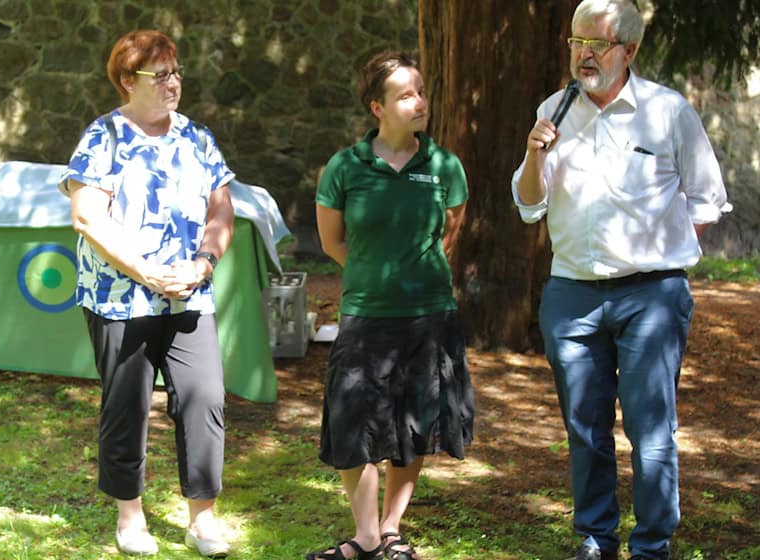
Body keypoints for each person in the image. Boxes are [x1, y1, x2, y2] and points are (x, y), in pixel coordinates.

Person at [510, 1, 731, 559]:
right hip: (572, 295)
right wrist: (536, 156)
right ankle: (594, 539)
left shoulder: (668, 111)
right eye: (576, 42)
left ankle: (652, 546)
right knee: (585, 431)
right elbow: (528, 206)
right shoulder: (553, 110)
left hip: (650, 295)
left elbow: (706, 199)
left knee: (651, 431)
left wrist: (662, 255)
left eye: (597, 43)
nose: (583, 54)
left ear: (628, 51)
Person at [59, 30, 235, 558]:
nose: (172, 82)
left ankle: (202, 520)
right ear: (125, 81)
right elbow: (87, 218)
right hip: (120, 299)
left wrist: (204, 262)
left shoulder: (198, 138)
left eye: (176, 71)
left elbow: (220, 209)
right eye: (159, 75)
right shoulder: (104, 137)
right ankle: (130, 518)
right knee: (126, 407)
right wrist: (149, 273)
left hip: (188, 297)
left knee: (204, 399)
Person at [309, 50, 475, 560]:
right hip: (365, 314)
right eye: (405, 94)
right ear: (377, 107)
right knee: (352, 420)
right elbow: (334, 243)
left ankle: (392, 529)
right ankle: (365, 536)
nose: (419, 101)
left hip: (429, 314)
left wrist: (412, 273)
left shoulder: (445, 164)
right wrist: (377, 275)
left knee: (416, 423)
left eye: (421, 91)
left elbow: (449, 232)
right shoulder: (344, 167)